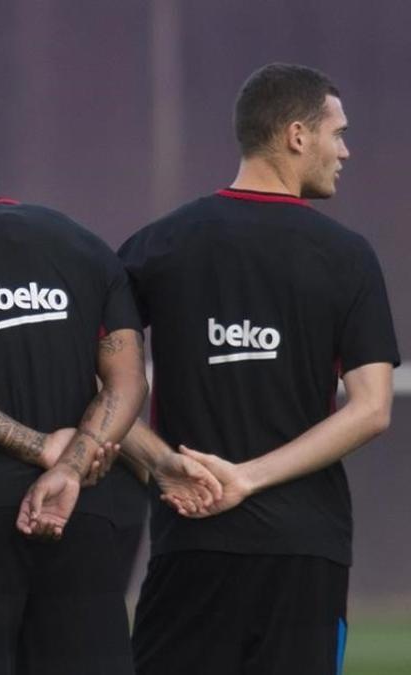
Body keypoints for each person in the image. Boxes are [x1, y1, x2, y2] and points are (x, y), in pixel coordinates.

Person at [0, 155, 210, 674]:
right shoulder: (85, 244)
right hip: (84, 512)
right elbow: (126, 382)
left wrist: (41, 447)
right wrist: (70, 467)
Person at [120, 62, 398, 675]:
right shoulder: (347, 256)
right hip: (303, 551)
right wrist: (246, 477)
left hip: (190, 540)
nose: (345, 150)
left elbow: (94, 377)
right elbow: (372, 408)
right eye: (338, 133)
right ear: (298, 136)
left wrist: (159, 462)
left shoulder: (159, 243)